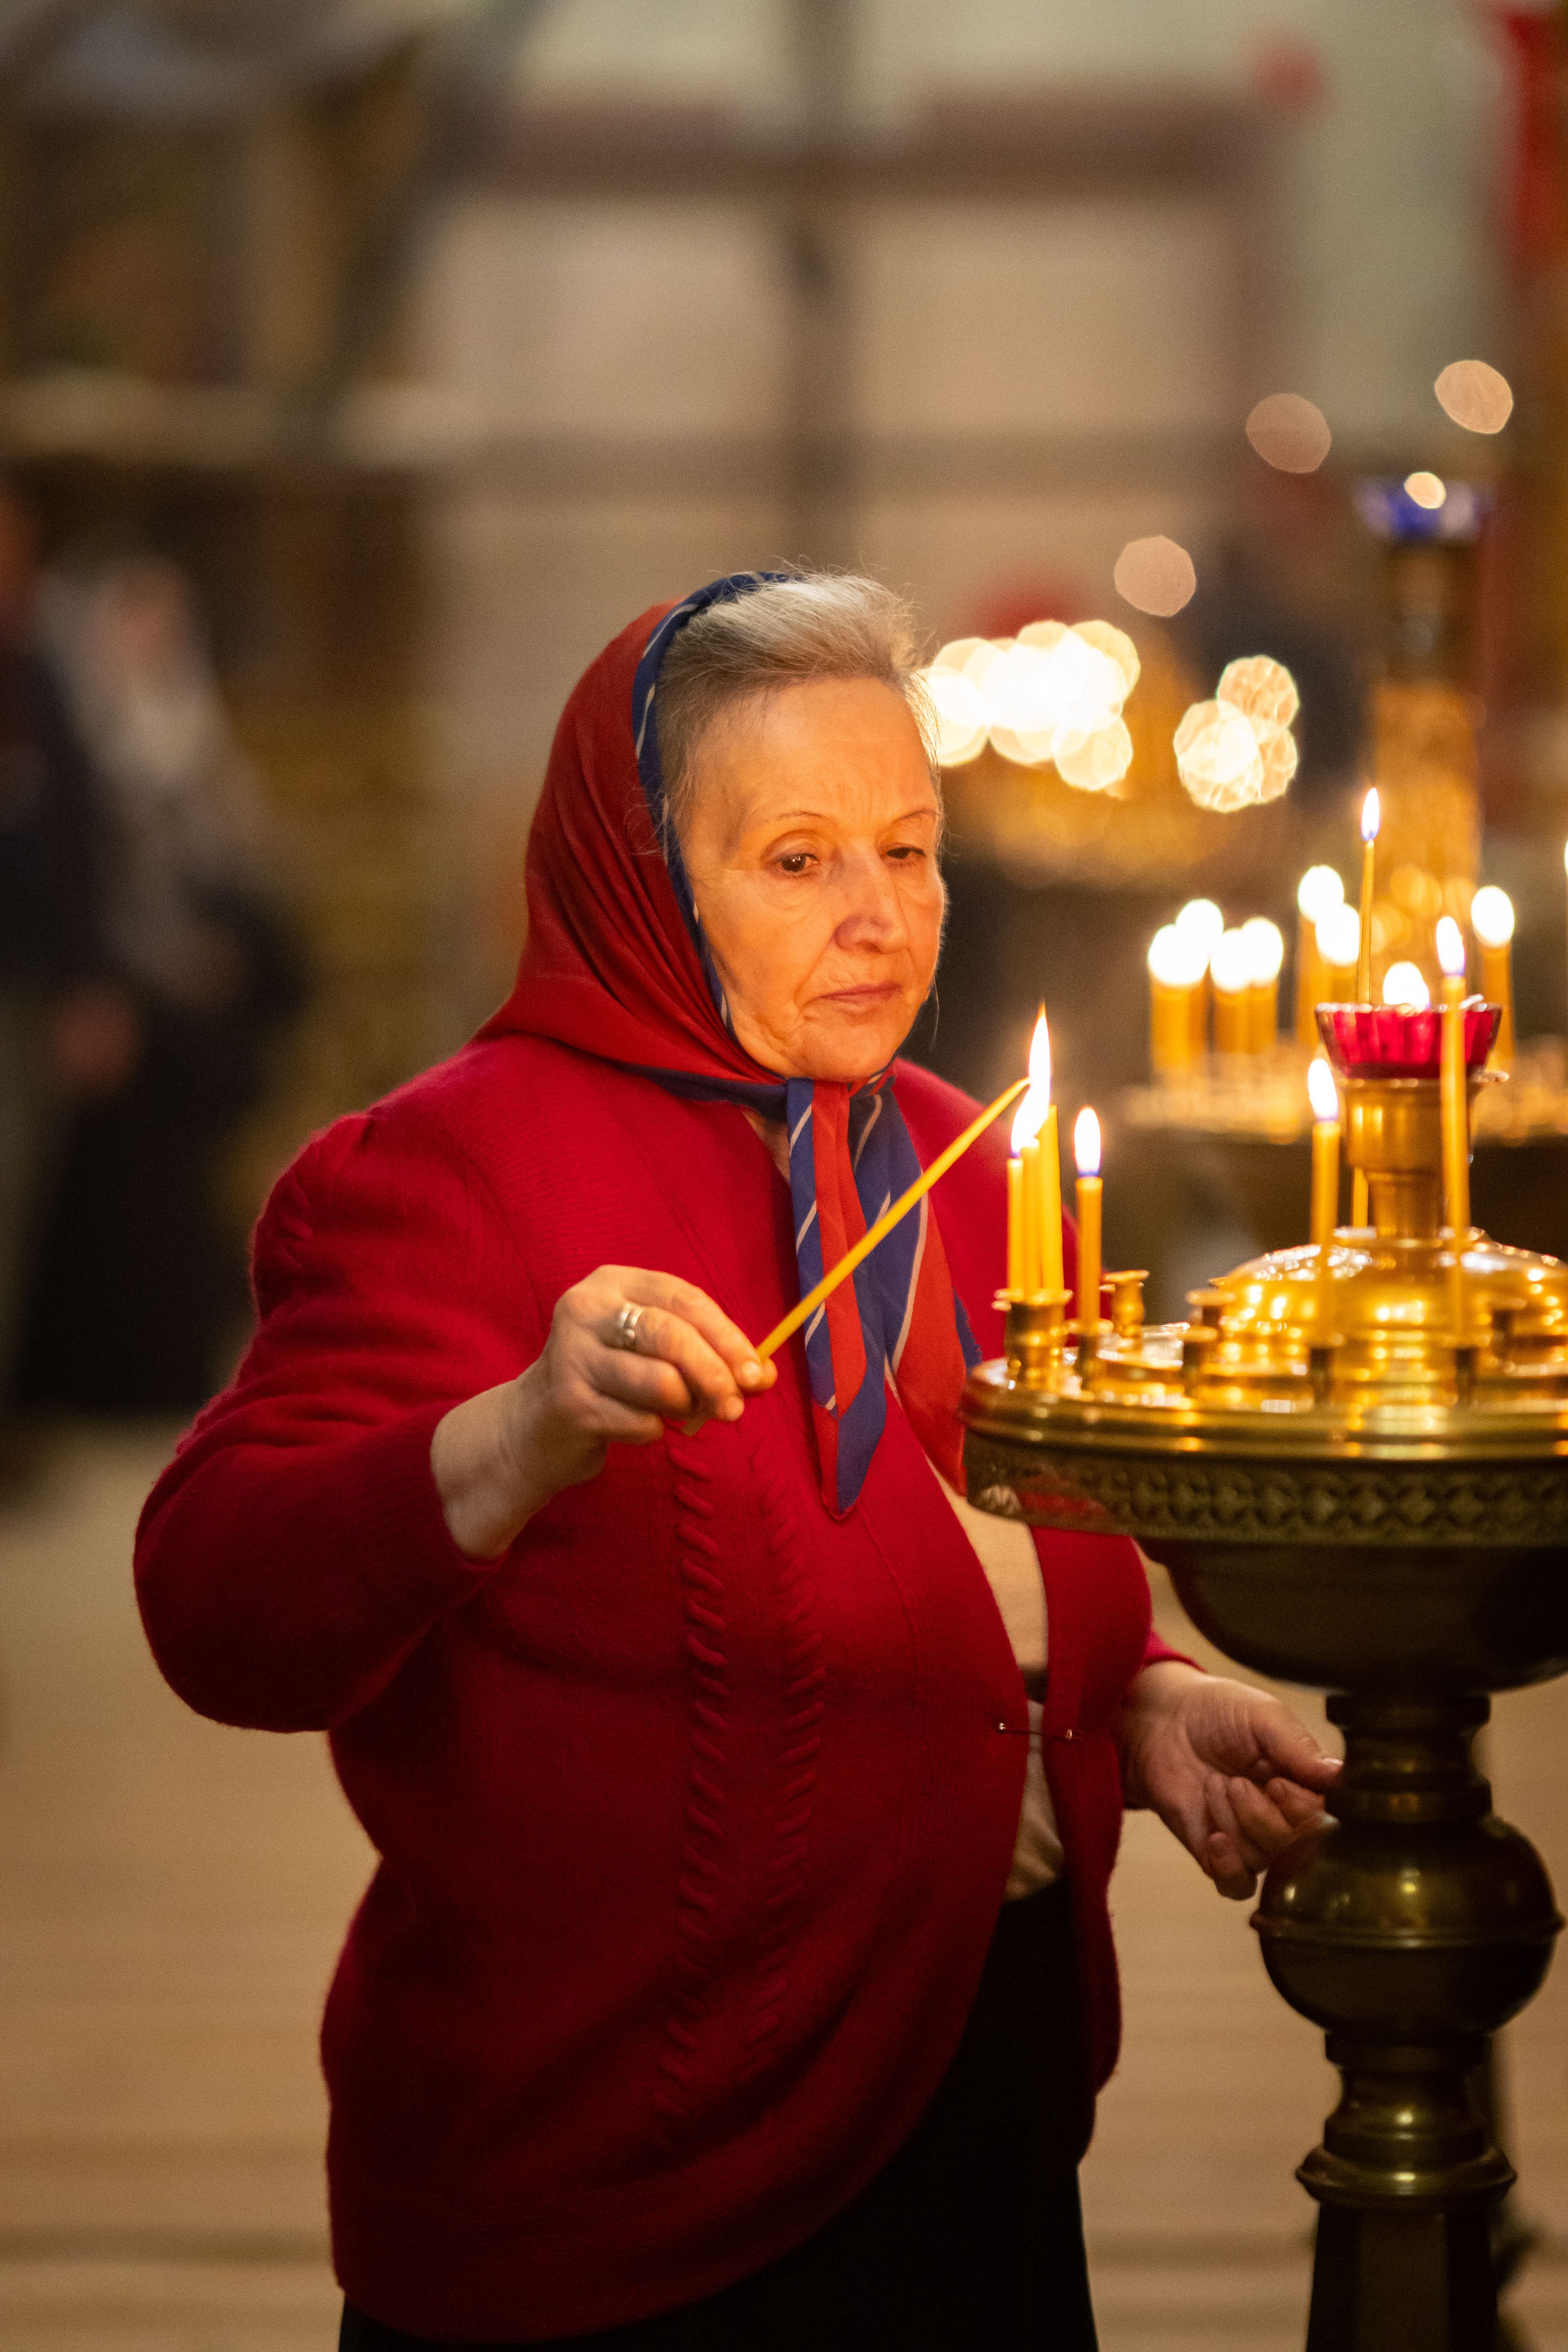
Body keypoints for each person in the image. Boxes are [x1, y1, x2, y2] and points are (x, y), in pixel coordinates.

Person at [135, 573, 1338, 2350]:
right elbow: (217, 1608)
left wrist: (1132, 1694)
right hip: (617, 2183)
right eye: (797, 859)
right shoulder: (448, 1172)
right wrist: (518, 1434)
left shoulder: (961, 1160)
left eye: (912, 849)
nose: (881, 918)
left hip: (981, 2107)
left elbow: (956, 1573)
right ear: (646, 875)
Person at [17, 554, 304, 1412]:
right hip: (118, 1007)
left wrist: (225, 952)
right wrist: (163, 967)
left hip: (198, 1037)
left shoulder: (205, 746)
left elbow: (244, 868)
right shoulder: (79, 742)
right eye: (131, 626)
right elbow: (87, 887)